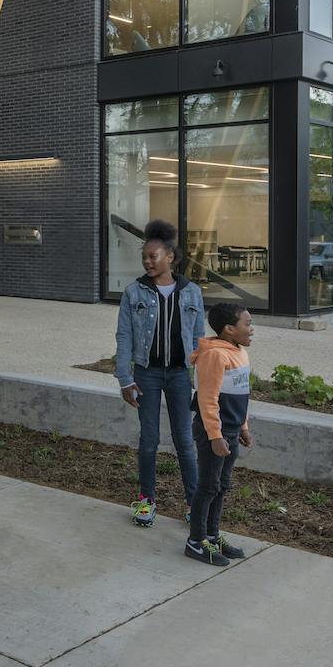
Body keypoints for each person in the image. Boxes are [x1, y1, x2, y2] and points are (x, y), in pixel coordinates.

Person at [114, 218, 206, 527]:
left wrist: (202, 380)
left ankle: (195, 503)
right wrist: (125, 379)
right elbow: (124, 336)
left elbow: (198, 340)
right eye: (144, 257)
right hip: (147, 375)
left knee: (185, 440)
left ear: (171, 257)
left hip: (180, 375)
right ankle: (146, 500)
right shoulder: (134, 292)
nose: (147, 261)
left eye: (153, 256)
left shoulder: (191, 292)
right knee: (149, 439)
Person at [186, 301, 255, 565]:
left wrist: (243, 427)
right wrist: (215, 436)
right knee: (208, 485)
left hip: (231, 429)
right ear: (229, 329)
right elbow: (207, 399)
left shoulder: (239, 352)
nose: (252, 330)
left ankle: (212, 537)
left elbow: (241, 395)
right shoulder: (215, 355)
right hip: (213, 431)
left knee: (222, 485)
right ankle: (195, 541)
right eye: (247, 324)